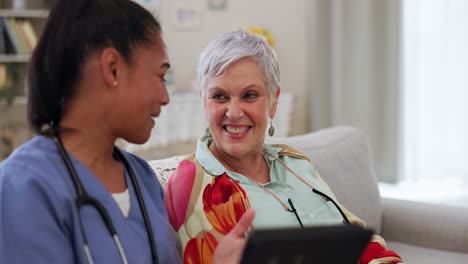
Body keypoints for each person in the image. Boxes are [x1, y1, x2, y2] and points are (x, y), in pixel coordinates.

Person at [0, 1, 254, 263]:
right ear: (113, 69)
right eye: (160, 76)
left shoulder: (141, 177)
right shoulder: (23, 186)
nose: (165, 97)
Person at [163, 28, 404, 264]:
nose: (234, 112)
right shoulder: (192, 183)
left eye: (249, 95)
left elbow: (353, 234)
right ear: (204, 102)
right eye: (219, 96)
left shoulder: (295, 162)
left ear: (273, 101)